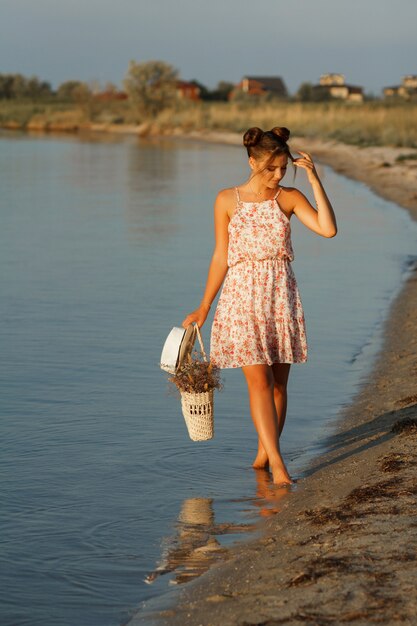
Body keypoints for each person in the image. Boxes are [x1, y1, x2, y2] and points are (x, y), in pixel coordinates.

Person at [181, 127, 337, 486]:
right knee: (260, 383)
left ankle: (265, 453)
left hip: (280, 296)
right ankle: (279, 467)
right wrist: (204, 306)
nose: (278, 175)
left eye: (283, 168)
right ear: (252, 162)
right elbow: (221, 256)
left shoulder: (289, 198)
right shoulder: (226, 200)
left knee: (280, 386)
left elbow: (328, 230)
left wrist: (313, 178)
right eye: (271, 168)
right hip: (241, 299)